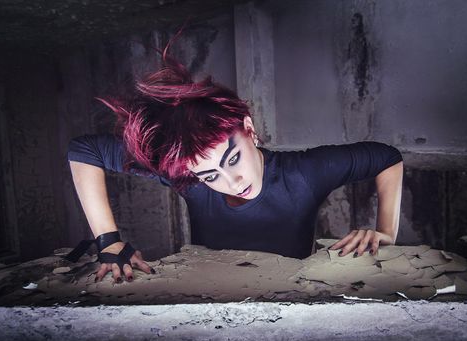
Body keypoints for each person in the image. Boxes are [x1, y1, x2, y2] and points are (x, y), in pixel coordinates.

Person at [67, 44, 403, 283]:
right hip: (211, 297)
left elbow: (387, 158)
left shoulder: (305, 173)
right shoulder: (189, 178)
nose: (232, 180)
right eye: (211, 173)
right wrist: (108, 241)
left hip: (290, 295)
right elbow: (85, 151)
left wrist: (386, 232)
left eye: (233, 158)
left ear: (249, 129)